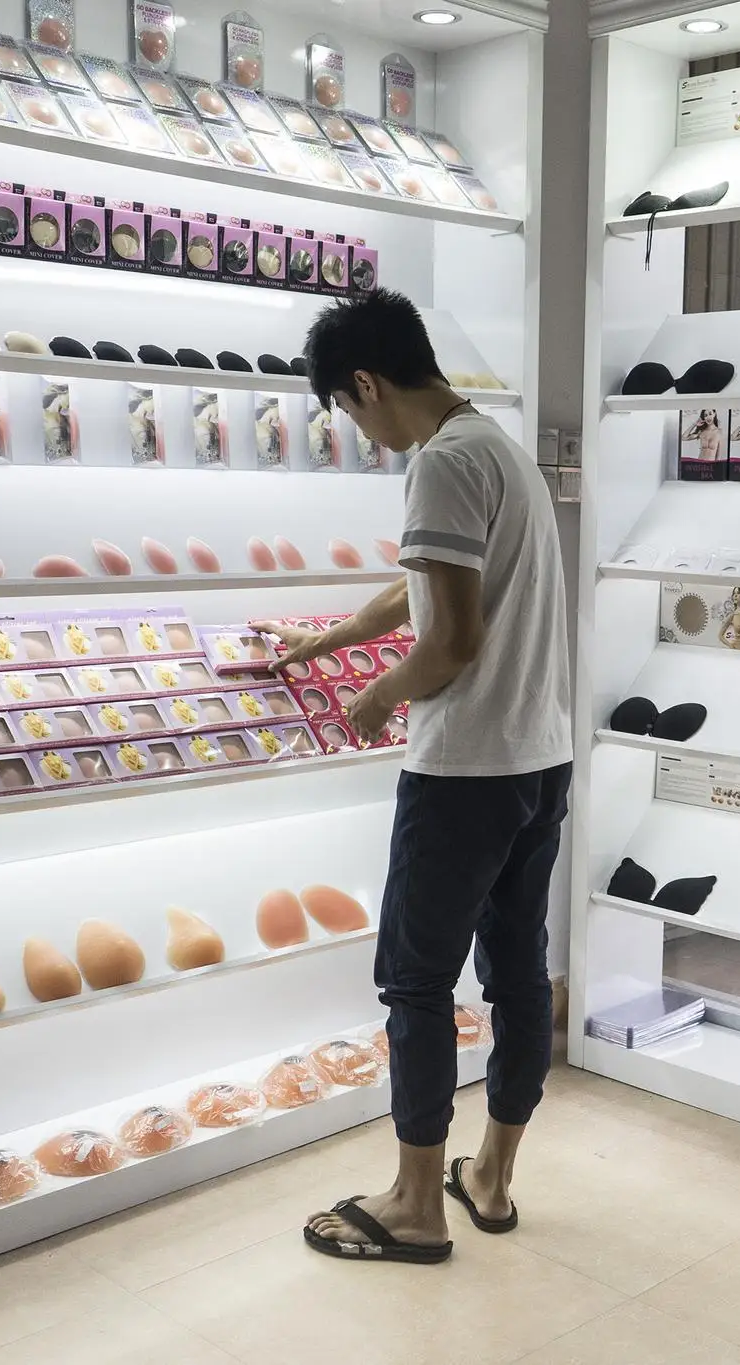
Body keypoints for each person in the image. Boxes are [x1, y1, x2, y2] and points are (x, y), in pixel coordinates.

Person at [258, 289, 572, 1266]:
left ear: (366, 383)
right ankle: (490, 1178)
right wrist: (332, 637)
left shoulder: (437, 464)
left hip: (463, 768)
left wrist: (376, 695)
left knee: (416, 982)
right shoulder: (493, 446)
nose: (363, 433)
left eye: (350, 412)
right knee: (517, 975)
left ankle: (412, 1205)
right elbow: (431, 585)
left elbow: (451, 640)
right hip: (537, 758)